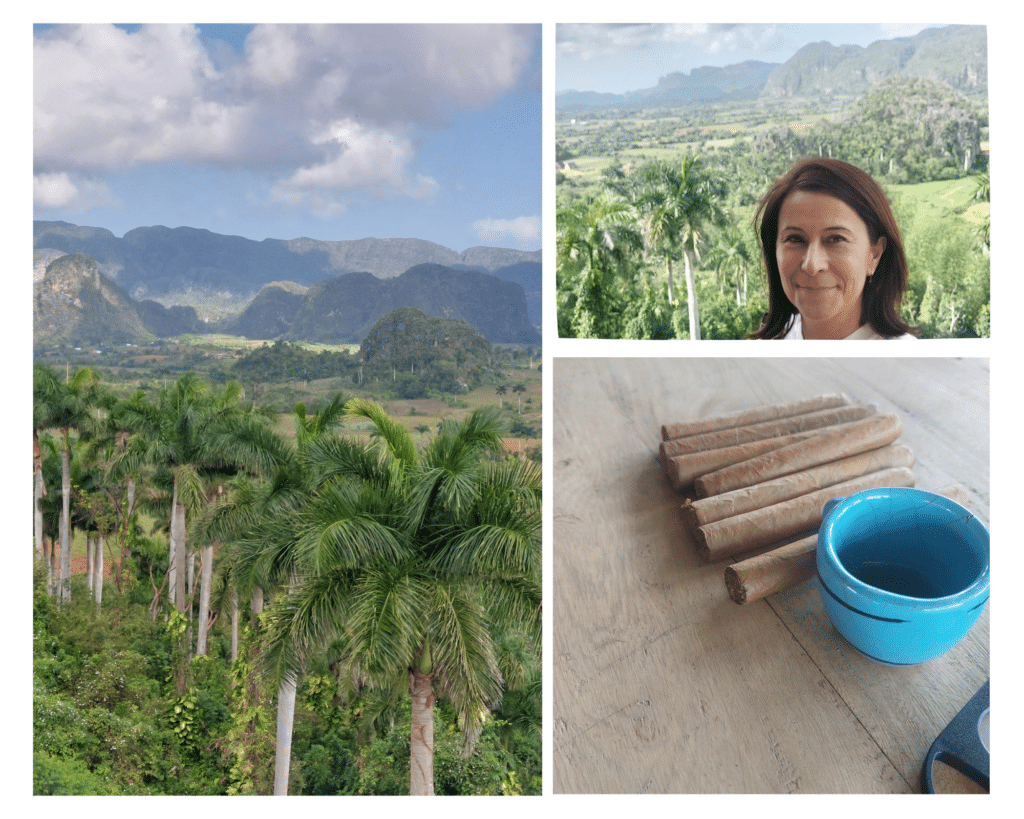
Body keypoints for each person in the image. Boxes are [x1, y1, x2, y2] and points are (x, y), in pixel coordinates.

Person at [747, 157, 918, 340]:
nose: (812, 265)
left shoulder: (913, 365)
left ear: (874, 255)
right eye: (795, 239)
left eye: (836, 239)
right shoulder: (763, 358)